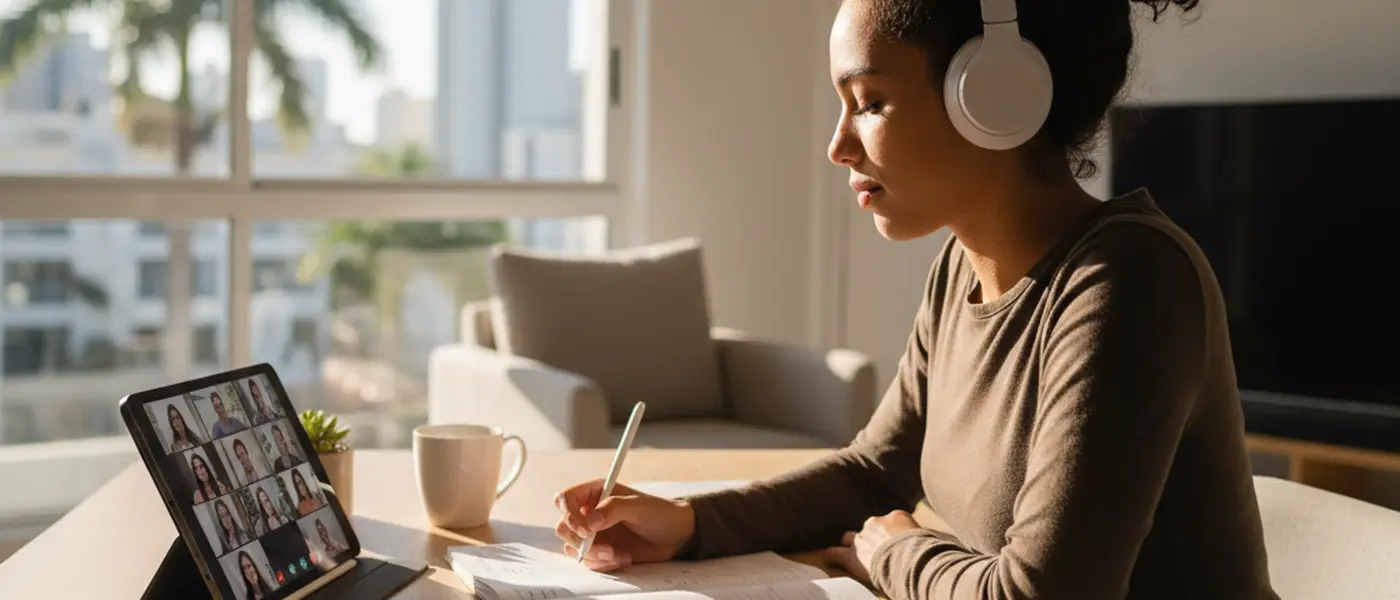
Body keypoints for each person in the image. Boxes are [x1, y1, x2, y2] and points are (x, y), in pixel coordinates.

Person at [553, 1, 1280, 598]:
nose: (839, 145)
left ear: (995, 94)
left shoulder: (1127, 281)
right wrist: (688, 523)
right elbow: (876, 470)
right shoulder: (959, 267)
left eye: (869, 102)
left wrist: (897, 553)